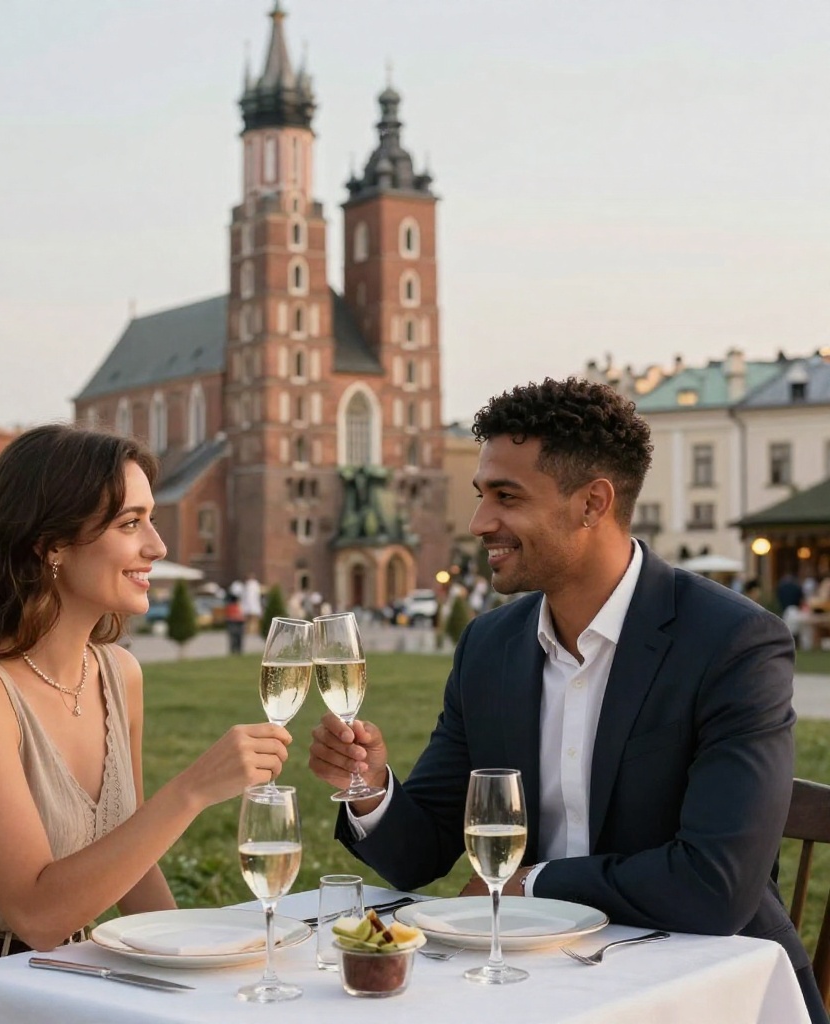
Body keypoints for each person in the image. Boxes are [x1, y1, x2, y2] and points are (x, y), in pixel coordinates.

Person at [308, 377, 825, 1023]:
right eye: (481, 495)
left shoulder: (732, 643)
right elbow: (420, 855)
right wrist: (368, 789)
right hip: (530, 981)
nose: (479, 523)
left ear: (592, 503)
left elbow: (716, 886)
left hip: (708, 988)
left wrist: (534, 881)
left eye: (506, 497)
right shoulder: (490, 647)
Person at [0, 425, 291, 1024]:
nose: (159, 546)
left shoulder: (118, 673)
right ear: (51, 544)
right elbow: (38, 915)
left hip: (70, 986)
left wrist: (204, 968)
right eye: (130, 523)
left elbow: (130, 863)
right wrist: (191, 791)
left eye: (151, 520)